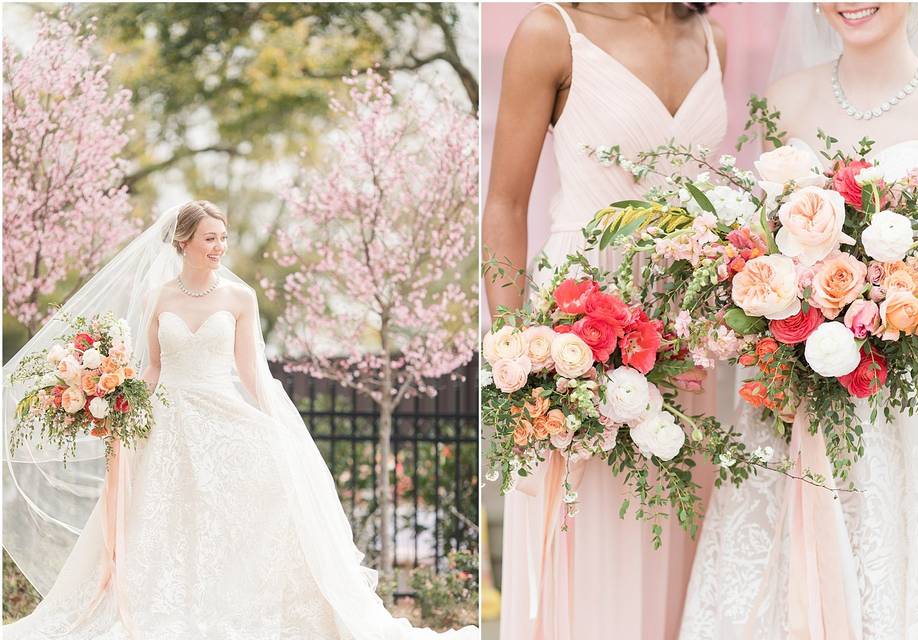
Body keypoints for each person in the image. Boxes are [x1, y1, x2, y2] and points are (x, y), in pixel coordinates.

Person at [3, 201, 479, 640]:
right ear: (183, 241)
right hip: (165, 421)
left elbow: (252, 371)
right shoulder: (158, 296)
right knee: (160, 516)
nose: (219, 247)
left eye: (223, 237)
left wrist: (275, 424)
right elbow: (151, 367)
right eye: (209, 238)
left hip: (221, 414)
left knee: (252, 508)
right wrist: (121, 408)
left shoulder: (240, 297)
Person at [681, 4, 918, 638]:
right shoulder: (783, 100)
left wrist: (902, 309)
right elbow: (754, 247)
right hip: (795, 394)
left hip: (914, 402)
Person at [482, 3, 726, 638]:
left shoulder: (710, 35)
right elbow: (505, 204)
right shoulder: (552, 32)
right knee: (588, 530)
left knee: (680, 529)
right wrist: (518, 356)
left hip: (692, 327)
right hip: (582, 322)